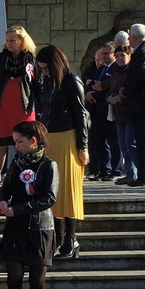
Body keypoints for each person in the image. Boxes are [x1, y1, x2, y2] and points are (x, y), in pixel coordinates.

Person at [0, 121, 59, 289]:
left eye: (19, 141)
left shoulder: (49, 165)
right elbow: (6, 186)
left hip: (40, 228)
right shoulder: (16, 162)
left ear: (33, 141)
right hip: (16, 227)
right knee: (13, 275)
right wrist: (2, 198)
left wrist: (19, 209)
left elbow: (49, 198)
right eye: (14, 142)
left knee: (37, 280)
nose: (16, 146)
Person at [36, 45, 89, 258]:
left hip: (68, 138)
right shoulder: (48, 82)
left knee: (68, 189)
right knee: (53, 189)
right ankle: (58, 238)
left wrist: (83, 146)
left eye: (46, 68)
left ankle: (71, 239)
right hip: (51, 138)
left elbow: (82, 115)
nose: (44, 72)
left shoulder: (71, 81)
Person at [0, 25, 39, 191]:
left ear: (22, 41)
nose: (9, 43)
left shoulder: (30, 58)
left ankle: (27, 175)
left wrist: (41, 106)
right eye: (7, 40)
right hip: (1, 107)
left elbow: (36, 84)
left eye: (12, 40)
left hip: (24, 107)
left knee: (26, 142)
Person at [85, 42, 120, 181]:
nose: (104, 56)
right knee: (99, 142)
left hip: (109, 111)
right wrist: (89, 93)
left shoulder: (116, 69)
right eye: (102, 54)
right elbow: (91, 84)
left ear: (113, 54)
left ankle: (115, 170)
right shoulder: (100, 69)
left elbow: (108, 88)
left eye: (106, 54)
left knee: (113, 141)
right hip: (96, 111)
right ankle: (103, 170)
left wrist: (94, 94)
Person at [104, 46, 138, 185]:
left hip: (130, 114)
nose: (119, 58)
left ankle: (137, 173)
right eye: (117, 56)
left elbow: (132, 92)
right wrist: (109, 98)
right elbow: (110, 88)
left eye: (122, 55)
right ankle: (130, 174)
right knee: (124, 146)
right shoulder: (116, 72)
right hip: (119, 115)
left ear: (129, 56)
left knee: (131, 145)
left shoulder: (131, 72)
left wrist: (120, 98)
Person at [122, 23, 145, 187]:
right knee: (139, 141)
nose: (128, 37)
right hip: (138, 105)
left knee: (142, 141)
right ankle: (143, 175)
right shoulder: (139, 52)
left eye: (129, 35)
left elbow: (140, 76)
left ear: (135, 37)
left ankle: (144, 175)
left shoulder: (143, 53)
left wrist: (126, 90)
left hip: (141, 105)